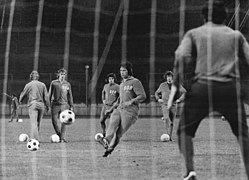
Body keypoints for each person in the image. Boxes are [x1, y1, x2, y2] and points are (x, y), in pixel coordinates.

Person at [167, 2, 249, 180]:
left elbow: (180, 56)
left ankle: (190, 171)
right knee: (243, 134)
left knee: (184, 132)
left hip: (202, 88)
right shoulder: (236, 36)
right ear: (225, 18)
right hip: (229, 89)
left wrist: (174, 86)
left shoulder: (194, 34)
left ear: (204, 17)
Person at [98, 61, 146, 157]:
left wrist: (131, 101)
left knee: (119, 133)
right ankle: (106, 140)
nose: (122, 72)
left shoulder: (135, 82)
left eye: (124, 70)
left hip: (130, 112)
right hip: (119, 109)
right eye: (120, 70)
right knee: (112, 124)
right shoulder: (122, 84)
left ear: (129, 71)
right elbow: (119, 99)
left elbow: (143, 96)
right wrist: (111, 109)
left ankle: (109, 150)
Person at [155, 71, 186, 141]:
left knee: (172, 122)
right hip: (164, 104)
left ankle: (170, 137)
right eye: (167, 77)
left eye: (170, 77)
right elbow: (156, 93)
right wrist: (158, 99)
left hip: (173, 105)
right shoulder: (162, 85)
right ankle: (166, 133)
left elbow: (184, 92)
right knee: (166, 118)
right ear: (166, 78)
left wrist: (179, 99)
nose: (169, 79)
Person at [19, 71, 49, 140]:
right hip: (41, 105)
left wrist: (20, 101)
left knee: (34, 123)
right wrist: (47, 106)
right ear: (38, 77)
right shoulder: (43, 85)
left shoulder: (28, 85)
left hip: (33, 104)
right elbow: (46, 97)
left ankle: (35, 140)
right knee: (38, 123)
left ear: (31, 77)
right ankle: (33, 138)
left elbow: (23, 94)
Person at [48, 68, 74, 143]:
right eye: (61, 74)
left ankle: (62, 138)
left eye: (64, 74)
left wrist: (71, 105)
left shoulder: (67, 84)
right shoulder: (53, 83)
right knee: (54, 121)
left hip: (64, 105)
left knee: (64, 121)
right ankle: (60, 135)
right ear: (58, 75)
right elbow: (49, 94)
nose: (63, 76)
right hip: (55, 104)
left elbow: (70, 95)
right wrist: (48, 104)